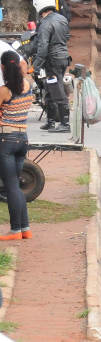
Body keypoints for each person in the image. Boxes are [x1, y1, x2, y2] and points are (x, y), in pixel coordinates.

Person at [0, 50, 34, 241]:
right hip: (23, 139)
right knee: (16, 185)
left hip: (6, 140)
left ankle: (15, 230)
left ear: (3, 67)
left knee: (11, 186)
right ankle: (25, 229)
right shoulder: (28, 86)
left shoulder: (4, 91)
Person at [31, 0, 71, 133]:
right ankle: (50, 121)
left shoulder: (45, 24)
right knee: (49, 88)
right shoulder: (61, 19)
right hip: (63, 58)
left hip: (52, 61)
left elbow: (42, 47)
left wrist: (36, 66)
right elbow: (67, 36)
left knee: (56, 90)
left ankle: (65, 124)